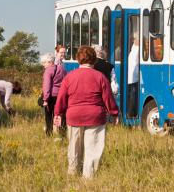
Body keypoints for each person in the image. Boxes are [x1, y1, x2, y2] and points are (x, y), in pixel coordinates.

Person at [54, 46, 119, 179]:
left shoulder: (69, 77)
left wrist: (58, 114)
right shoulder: (100, 77)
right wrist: (114, 113)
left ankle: (72, 173)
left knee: (74, 146)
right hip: (95, 117)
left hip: (74, 116)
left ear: (78, 60)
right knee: (93, 148)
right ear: (94, 60)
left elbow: (61, 98)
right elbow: (108, 98)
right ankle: (88, 178)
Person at [40, 52, 67, 136]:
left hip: (51, 96)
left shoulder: (48, 71)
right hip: (61, 95)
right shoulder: (62, 69)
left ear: (49, 62)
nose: (43, 65)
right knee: (60, 114)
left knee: (49, 116)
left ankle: (49, 133)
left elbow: (46, 86)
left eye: (44, 62)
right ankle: (62, 132)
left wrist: (45, 99)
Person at [127, 32, 139, 117]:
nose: (133, 40)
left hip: (135, 77)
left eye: (135, 38)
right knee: (131, 96)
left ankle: (131, 114)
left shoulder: (139, 49)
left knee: (133, 97)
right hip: (130, 76)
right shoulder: (134, 47)